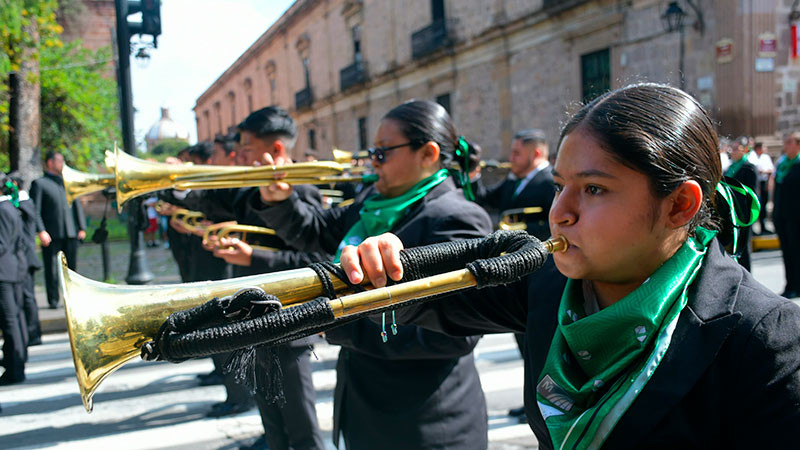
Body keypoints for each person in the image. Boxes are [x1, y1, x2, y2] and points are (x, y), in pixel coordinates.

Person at [340, 84, 800, 448]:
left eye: (594, 189)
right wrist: (383, 262)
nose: (559, 212)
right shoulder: (546, 284)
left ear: (679, 205)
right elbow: (434, 300)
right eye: (560, 185)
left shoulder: (765, 336)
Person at [255, 100, 492, 450]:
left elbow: (452, 335)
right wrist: (281, 198)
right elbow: (318, 231)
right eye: (372, 152)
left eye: (382, 153)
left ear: (427, 154)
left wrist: (332, 321)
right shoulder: (373, 203)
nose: (371, 163)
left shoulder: (457, 218)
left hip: (426, 425)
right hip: (366, 411)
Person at [474, 128, 555, 241]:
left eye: (517, 153)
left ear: (536, 154)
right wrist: (473, 175)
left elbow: (554, 225)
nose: (511, 158)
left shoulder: (551, 181)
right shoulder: (514, 178)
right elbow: (486, 198)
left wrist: (517, 230)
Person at [29, 151, 87, 309]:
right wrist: (41, 230)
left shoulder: (67, 182)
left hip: (71, 232)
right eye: (59, 161)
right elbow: (35, 210)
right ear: (50, 163)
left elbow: (76, 205)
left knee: (72, 269)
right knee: (52, 269)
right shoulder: (39, 183)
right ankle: (53, 300)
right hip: (51, 234)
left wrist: (81, 226)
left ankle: (72, 298)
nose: (62, 164)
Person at [7, 171, 43, 345]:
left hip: (26, 256)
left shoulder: (24, 202)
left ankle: (34, 332)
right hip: (23, 256)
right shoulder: (20, 202)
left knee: (28, 296)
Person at [0, 173, 27, 385]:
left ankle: (15, 369)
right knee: (14, 319)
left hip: (4, 271)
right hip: (13, 269)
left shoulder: (2, 209)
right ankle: (15, 365)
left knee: (10, 321)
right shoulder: (9, 207)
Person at [725, 136, 758, 271]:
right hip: (730, 213)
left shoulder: (749, 168)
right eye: (732, 148)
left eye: (736, 148)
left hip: (743, 215)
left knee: (743, 250)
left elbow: (751, 194)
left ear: (745, 150)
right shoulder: (731, 168)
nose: (732, 151)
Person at [773, 132, 800, 298]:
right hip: (782, 216)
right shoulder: (782, 165)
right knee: (787, 251)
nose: (786, 145)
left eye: (789, 142)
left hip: (797, 217)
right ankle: (790, 284)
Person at [749, 142, 775, 234]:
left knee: (764, 204)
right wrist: (764, 171)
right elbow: (755, 170)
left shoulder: (766, 157)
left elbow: (771, 170)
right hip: (756, 183)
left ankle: (763, 227)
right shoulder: (752, 156)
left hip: (764, 182)